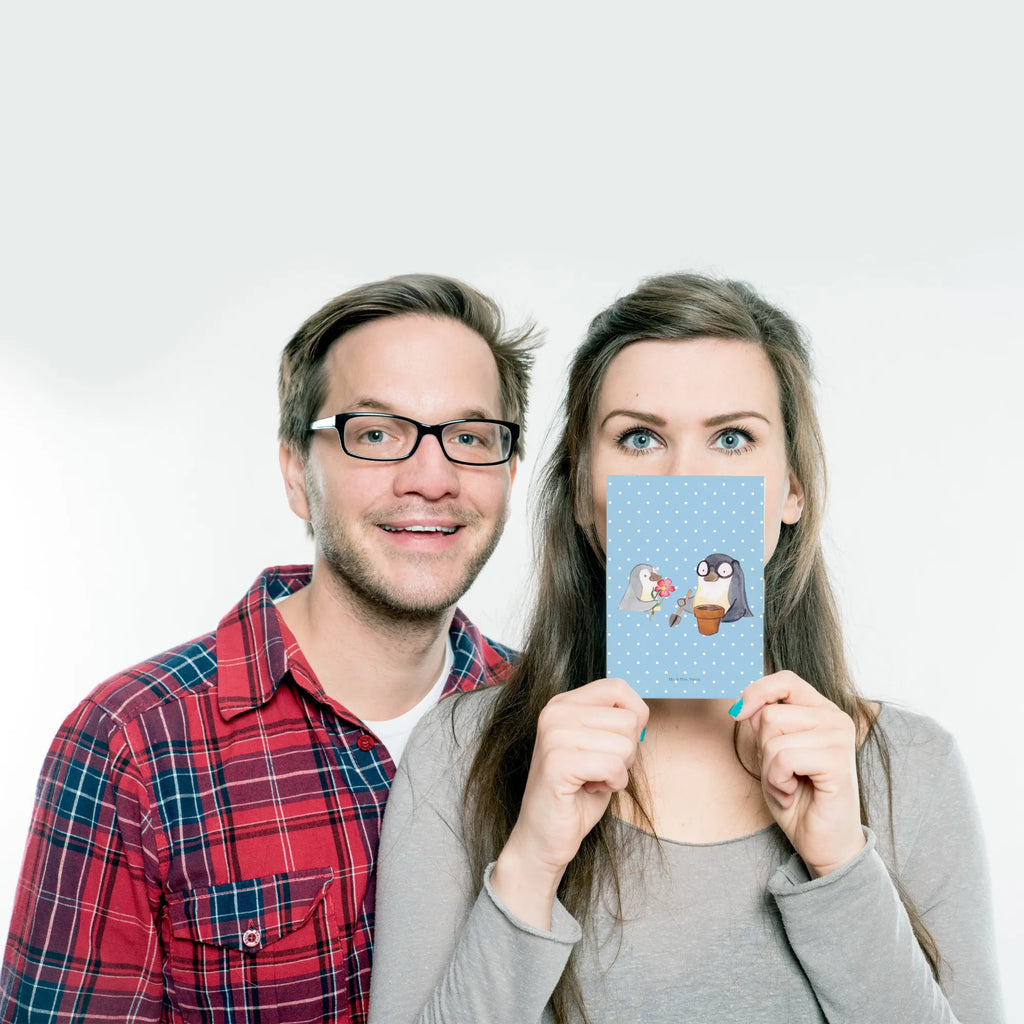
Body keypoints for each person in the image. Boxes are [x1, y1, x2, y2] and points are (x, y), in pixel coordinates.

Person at [368, 273, 1004, 1023]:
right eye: (640, 438)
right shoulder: (459, 754)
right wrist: (531, 861)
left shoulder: (912, 769)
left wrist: (840, 866)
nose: (686, 478)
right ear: (581, 490)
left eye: (732, 438)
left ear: (792, 489)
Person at [0, 274, 537, 1023]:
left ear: (509, 474)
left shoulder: (546, 715)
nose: (432, 478)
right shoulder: (130, 744)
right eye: (376, 434)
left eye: (471, 438)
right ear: (296, 473)